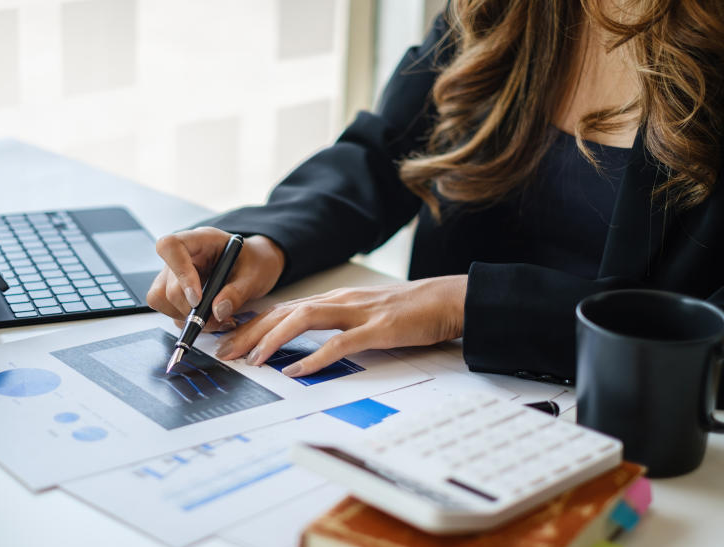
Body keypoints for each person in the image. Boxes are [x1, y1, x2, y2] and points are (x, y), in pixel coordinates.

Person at [147, 0, 724, 382]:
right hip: (441, 391)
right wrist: (269, 244)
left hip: (640, 431)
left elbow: (706, 328)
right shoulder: (505, 9)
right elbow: (384, 153)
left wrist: (463, 305)